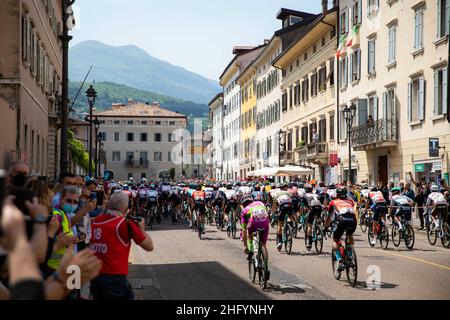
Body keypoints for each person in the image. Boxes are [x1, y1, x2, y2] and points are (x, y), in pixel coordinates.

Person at [89, 191, 153, 300]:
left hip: (95, 277)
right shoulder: (125, 224)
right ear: (126, 208)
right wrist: (142, 228)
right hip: (114, 278)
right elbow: (149, 246)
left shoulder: (96, 221)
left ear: (109, 204)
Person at [240, 194, 270, 281]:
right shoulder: (260, 203)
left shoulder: (245, 210)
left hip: (254, 222)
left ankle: (250, 250)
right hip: (265, 221)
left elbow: (244, 229)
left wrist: (245, 246)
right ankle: (266, 266)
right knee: (263, 245)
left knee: (248, 233)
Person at [328, 187, 356, 270]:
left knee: (335, 240)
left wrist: (326, 226)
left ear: (337, 194)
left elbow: (329, 217)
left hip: (341, 220)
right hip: (352, 220)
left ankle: (339, 259)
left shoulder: (333, 202)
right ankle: (350, 256)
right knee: (350, 236)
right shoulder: (350, 201)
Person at [272, 183, 293, 251]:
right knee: (290, 215)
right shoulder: (287, 192)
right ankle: (290, 223)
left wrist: (274, 213)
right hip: (290, 205)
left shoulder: (276, 193)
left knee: (279, 225)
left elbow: (274, 205)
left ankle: (280, 242)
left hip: (282, 206)